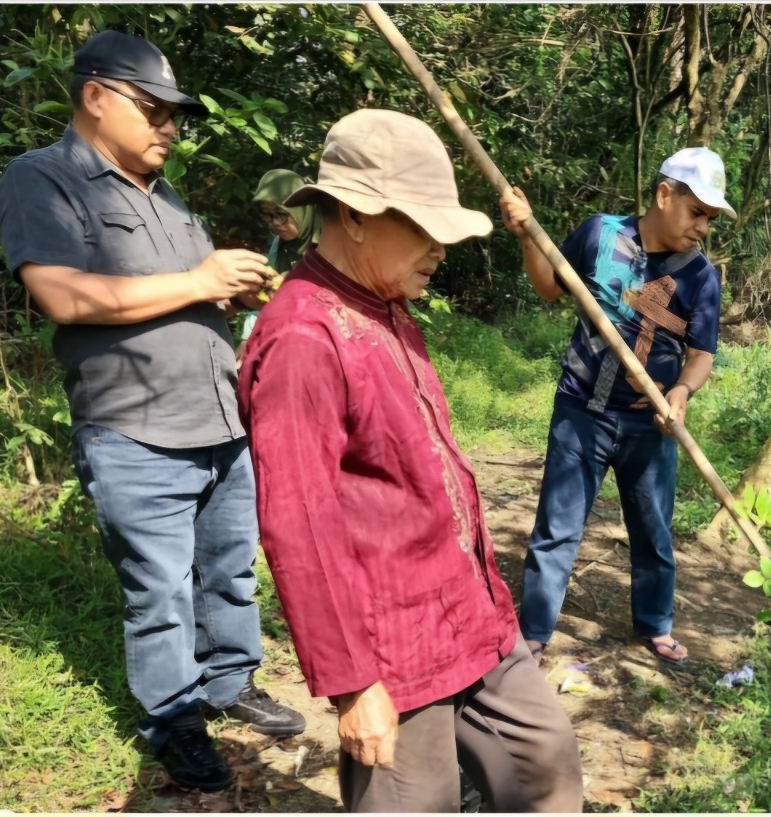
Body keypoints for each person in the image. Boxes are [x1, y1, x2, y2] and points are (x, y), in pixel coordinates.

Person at [238, 108, 583, 814]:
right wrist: (353, 682)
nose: (439, 248)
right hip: (390, 647)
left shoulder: (385, 303)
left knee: (544, 762)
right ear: (354, 216)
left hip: (470, 612)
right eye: (421, 226)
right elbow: (297, 524)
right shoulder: (304, 336)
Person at [0, 30, 304, 793]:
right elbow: (63, 295)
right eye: (155, 108)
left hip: (217, 420)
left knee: (231, 568)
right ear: (95, 97)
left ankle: (229, 683)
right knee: (160, 591)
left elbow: (177, 290)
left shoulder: (163, 194)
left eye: (177, 115)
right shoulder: (44, 179)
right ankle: (174, 721)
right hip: (134, 428)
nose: (170, 126)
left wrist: (228, 287)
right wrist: (200, 280)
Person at [499, 147, 735, 666]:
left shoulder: (701, 278)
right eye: (697, 213)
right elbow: (548, 287)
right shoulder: (600, 234)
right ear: (664, 195)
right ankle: (535, 632)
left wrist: (681, 392)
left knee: (652, 530)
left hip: (649, 424)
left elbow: (701, 355)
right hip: (581, 409)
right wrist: (526, 235)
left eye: (711, 219)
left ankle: (654, 624)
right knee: (558, 526)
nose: (703, 227)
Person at [238, 169, 320, 346]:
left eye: (281, 214)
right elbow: (266, 293)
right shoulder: (280, 245)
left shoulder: (328, 242)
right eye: (268, 215)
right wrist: (248, 338)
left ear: (300, 209)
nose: (275, 223)